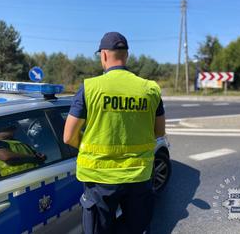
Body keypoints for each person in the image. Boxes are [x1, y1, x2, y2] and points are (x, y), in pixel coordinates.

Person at [64, 32, 165, 234]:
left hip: (99, 179)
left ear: (103, 55)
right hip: (139, 176)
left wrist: (89, 147)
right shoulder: (150, 89)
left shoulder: (90, 88)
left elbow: (68, 137)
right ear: (126, 56)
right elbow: (159, 132)